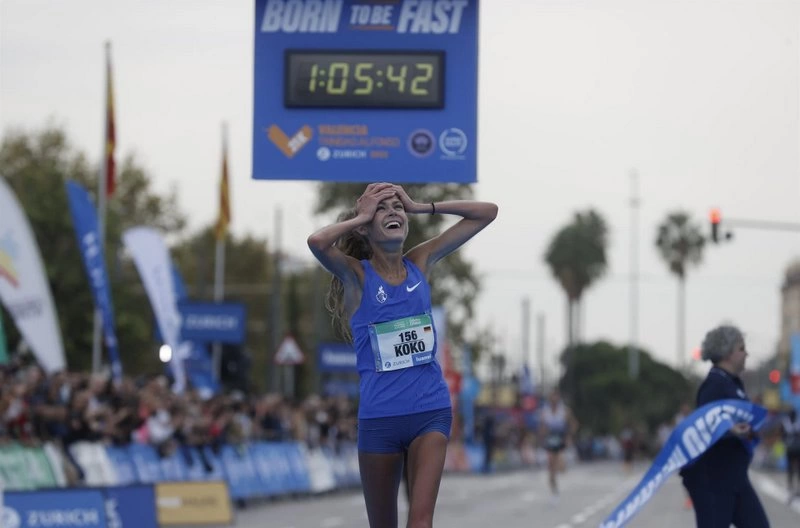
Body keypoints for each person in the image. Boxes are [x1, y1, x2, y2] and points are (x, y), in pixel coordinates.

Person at [307, 182, 497, 528]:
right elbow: (317, 242)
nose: (393, 211)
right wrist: (359, 216)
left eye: (397, 206)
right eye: (382, 208)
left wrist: (422, 206)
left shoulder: (420, 262)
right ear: (365, 227)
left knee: (421, 522)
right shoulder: (357, 275)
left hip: (430, 411)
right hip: (380, 419)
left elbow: (488, 212)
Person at [679, 325, 770, 528]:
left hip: (735, 477)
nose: (747, 353)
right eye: (741, 348)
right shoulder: (714, 385)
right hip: (714, 480)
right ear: (727, 353)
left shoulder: (733, 383)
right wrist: (730, 430)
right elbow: (706, 425)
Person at [538, 389, 577, 501]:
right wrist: (541, 437)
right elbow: (542, 427)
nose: (554, 399)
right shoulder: (544, 411)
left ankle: (562, 466)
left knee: (560, 464)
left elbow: (573, 424)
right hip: (550, 438)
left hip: (561, 437)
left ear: (558, 398)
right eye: (552, 397)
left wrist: (569, 436)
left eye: (555, 396)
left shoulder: (564, 411)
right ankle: (554, 491)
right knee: (551, 467)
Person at [782, 408, 800, 499]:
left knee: (791, 468)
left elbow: (782, 436)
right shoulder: (796, 424)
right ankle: (794, 487)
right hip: (795, 448)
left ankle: (791, 486)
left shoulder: (786, 424)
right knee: (795, 468)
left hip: (792, 448)